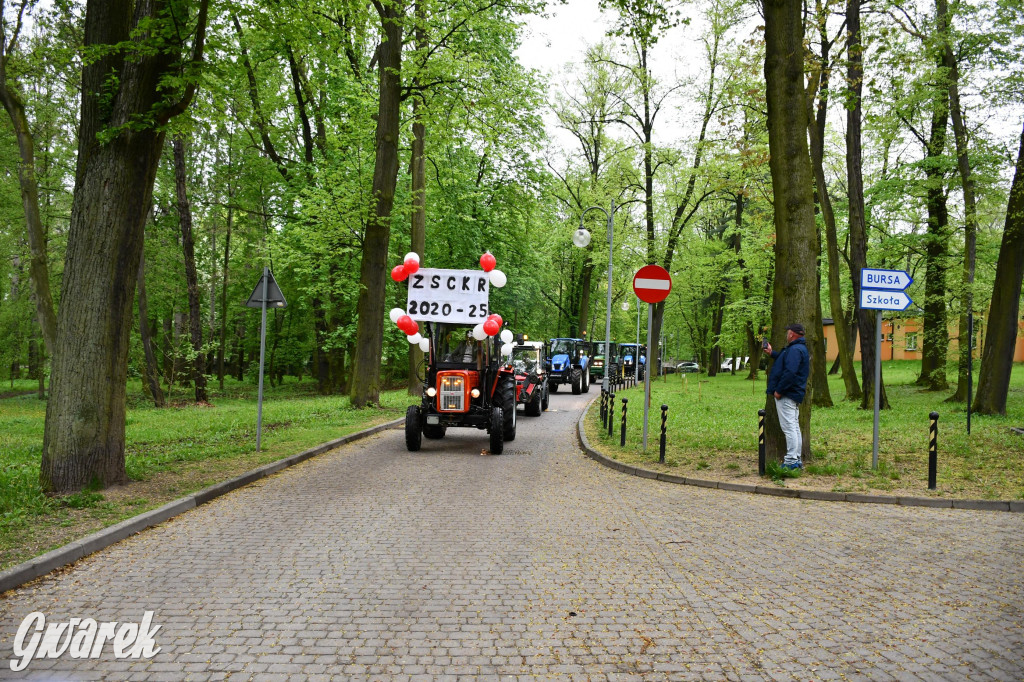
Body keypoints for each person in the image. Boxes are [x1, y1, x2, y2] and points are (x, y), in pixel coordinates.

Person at [764, 322, 810, 470]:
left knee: (789, 428)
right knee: (794, 427)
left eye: (788, 332)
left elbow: (790, 372)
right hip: (793, 393)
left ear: (791, 334)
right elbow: (785, 361)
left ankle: (791, 462)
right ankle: (796, 459)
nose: (786, 334)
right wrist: (772, 353)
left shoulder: (795, 350)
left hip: (787, 394)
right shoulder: (797, 348)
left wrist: (779, 390)